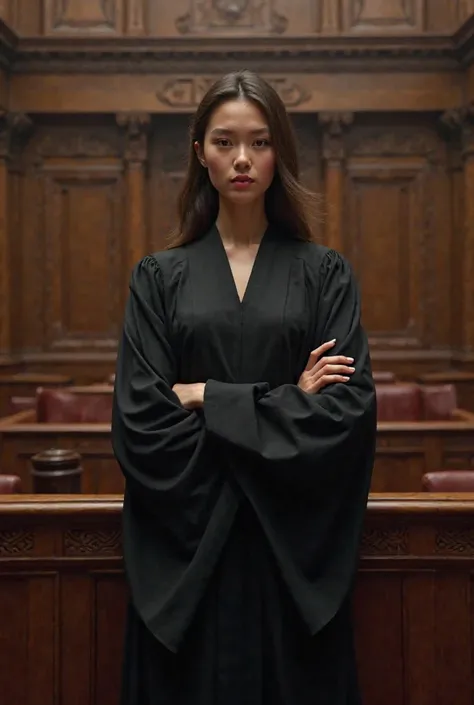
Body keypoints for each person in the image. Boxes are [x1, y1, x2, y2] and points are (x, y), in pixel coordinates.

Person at [112, 69, 377, 705]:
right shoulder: (158, 277)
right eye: (225, 141)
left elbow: (344, 412)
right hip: (188, 549)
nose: (242, 159)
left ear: (279, 152)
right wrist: (283, 401)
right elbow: (142, 421)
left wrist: (205, 394)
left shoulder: (324, 274)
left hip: (290, 548)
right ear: (199, 152)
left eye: (259, 143)